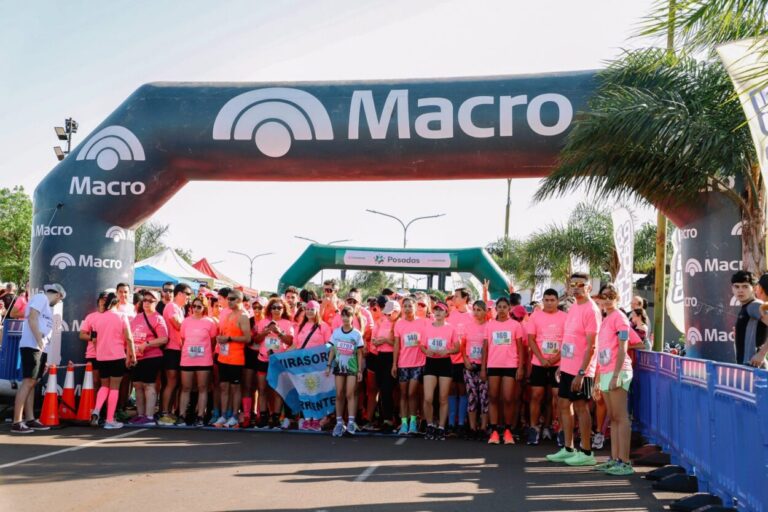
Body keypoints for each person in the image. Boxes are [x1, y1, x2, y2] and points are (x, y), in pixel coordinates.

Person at [546, 272, 602, 466]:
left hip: (582, 369)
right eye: (573, 284)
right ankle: (568, 448)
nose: (576, 287)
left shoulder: (591, 310)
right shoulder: (573, 307)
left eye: (581, 284)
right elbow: (569, 339)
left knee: (581, 407)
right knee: (563, 404)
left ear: (589, 288)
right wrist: (562, 365)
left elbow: (592, 346)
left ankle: (586, 452)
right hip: (568, 367)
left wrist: (581, 372)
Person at [592, 283, 639, 476]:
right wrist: (598, 379)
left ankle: (624, 462)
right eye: (604, 296)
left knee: (621, 417)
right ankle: (615, 459)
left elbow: (623, 347)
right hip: (606, 371)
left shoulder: (619, 317)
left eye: (611, 295)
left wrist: (617, 375)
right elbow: (602, 351)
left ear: (617, 298)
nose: (607, 299)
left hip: (618, 371)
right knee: (613, 417)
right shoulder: (606, 318)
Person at [11, 284, 65, 434]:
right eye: (60, 299)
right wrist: (39, 342)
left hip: (39, 348)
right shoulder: (41, 298)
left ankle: (30, 419)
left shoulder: (46, 305)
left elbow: (40, 326)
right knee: (28, 382)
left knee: (32, 383)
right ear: (58, 295)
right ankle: (17, 421)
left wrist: (44, 352)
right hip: (32, 346)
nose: (58, 302)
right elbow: (32, 318)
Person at [525, 289, 566, 445]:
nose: (549, 303)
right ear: (542, 301)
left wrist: (555, 358)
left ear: (557, 301)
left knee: (559, 397)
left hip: (559, 364)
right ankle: (534, 428)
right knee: (536, 395)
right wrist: (542, 358)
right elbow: (531, 340)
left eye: (552, 300)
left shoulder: (565, 317)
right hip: (539, 363)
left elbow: (568, 342)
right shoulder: (535, 316)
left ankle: (561, 430)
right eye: (546, 300)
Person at [482, 296, 525, 445]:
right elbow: (485, 348)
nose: (501, 309)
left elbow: (521, 348)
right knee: (493, 397)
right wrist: (483, 368)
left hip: (510, 366)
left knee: (508, 399)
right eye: (499, 307)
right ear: (496, 309)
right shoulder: (490, 325)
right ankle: (494, 430)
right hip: (493, 365)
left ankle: (507, 430)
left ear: (509, 308)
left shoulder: (515, 325)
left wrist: (520, 367)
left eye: (504, 307)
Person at [91, 292, 137, 429]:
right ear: (117, 303)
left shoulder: (97, 318)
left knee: (104, 386)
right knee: (114, 388)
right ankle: (110, 419)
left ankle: (96, 410)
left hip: (101, 357)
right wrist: (132, 355)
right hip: (116, 356)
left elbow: (94, 339)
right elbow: (129, 338)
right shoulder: (122, 316)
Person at [420, 301, 460, 441]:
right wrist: (427, 351)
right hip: (430, 362)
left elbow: (457, 347)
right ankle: (430, 425)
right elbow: (422, 345)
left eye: (441, 310)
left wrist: (447, 351)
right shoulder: (427, 328)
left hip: (445, 363)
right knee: (428, 397)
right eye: (436, 310)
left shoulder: (451, 329)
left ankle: (441, 427)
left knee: (443, 398)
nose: (438, 312)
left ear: (446, 313)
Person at [254, 297, 295, 428]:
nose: (276, 310)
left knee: (278, 390)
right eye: (274, 307)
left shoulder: (288, 324)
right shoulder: (263, 321)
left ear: (284, 310)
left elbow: (290, 342)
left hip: (279, 361)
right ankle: (264, 416)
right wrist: (266, 331)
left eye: (279, 308)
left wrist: (279, 332)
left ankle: (276, 417)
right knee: (262, 389)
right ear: (269, 309)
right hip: (263, 359)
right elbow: (256, 339)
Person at [213, 290, 252, 428]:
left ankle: (235, 415)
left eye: (233, 299)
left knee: (235, 388)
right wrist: (221, 338)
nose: (229, 301)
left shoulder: (243, 316)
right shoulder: (228, 314)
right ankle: (224, 415)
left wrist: (229, 339)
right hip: (223, 356)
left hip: (236, 357)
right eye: (228, 299)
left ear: (240, 300)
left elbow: (248, 338)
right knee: (223, 386)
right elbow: (224, 333)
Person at [129, 290, 168, 425]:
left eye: (150, 301)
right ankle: (140, 414)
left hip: (152, 356)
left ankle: (150, 416)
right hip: (137, 357)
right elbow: (130, 336)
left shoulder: (158, 318)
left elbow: (164, 339)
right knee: (137, 385)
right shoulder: (137, 317)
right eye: (144, 300)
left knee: (149, 385)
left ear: (156, 303)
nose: (146, 303)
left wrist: (146, 344)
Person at [179, 296, 218, 426]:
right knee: (186, 388)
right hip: (187, 359)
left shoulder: (210, 322)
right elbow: (183, 340)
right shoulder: (185, 321)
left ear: (204, 308)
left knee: (202, 388)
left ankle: (200, 415)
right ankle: (182, 415)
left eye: (199, 307)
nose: (196, 309)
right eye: (193, 306)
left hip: (204, 360)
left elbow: (213, 341)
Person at [326, 305, 365, 437]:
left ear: (352, 317)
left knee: (350, 394)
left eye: (348, 316)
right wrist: (328, 365)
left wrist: (359, 370)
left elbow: (360, 353)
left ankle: (351, 422)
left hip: (352, 368)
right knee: (339, 394)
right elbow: (331, 349)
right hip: (338, 367)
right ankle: (338, 423)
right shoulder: (336, 332)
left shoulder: (357, 334)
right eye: (343, 315)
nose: (345, 318)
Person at [158, 284, 192, 425]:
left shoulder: (181, 308)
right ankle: (164, 413)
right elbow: (178, 325)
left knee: (175, 383)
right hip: (171, 349)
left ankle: (169, 412)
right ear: (178, 294)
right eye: (187, 294)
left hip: (179, 350)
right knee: (171, 382)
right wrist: (194, 324)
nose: (189, 297)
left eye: (190, 294)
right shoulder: (171, 306)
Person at [392, 297, 426, 435]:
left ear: (415, 307)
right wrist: (394, 364)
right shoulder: (399, 324)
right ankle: (404, 423)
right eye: (404, 306)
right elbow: (396, 345)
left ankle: (413, 422)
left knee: (412, 393)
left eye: (409, 306)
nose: (407, 309)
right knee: (403, 394)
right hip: (403, 363)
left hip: (418, 363)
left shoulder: (423, 323)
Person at [463, 299, 490, 439]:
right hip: (469, 366)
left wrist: (484, 367)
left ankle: (483, 427)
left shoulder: (489, 326)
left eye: (479, 309)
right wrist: (465, 360)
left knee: (484, 397)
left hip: (484, 367)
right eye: (474, 309)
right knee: (472, 397)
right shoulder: (468, 326)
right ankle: (472, 428)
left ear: (486, 312)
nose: (476, 312)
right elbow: (462, 346)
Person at [448, 288, 472, 435]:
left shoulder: (472, 315)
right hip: (451, 359)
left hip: (465, 360)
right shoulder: (451, 315)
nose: (454, 299)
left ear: (465, 298)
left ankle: (461, 422)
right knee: (452, 390)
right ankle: (451, 423)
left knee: (463, 391)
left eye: (456, 296)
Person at [371, 299, 398, 431]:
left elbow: (400, 345)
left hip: (393, 357)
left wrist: (386, 340)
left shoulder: (399, 323)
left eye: (390, 314)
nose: (387, 316)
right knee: (381, 387)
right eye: (386, 313)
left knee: (388, 388)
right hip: (380, 356)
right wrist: (377, 342)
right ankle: (383, 417)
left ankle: (390, 419)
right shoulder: (382, 322)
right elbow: (373, 339)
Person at [732, 271, 768, 368]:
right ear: (732, 288)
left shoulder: (755, 305)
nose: (740, 290)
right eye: (736, 286)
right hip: (747, 367)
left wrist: (761, 354)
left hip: (755, 368)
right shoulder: (746, 307)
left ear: (754, 288)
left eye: (745, 286)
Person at [79, 291, 109, 388]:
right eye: (102, 299)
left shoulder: (113, 316)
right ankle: (95, 403)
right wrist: (93, 337)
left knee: (106, 383)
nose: (104, 301)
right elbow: (82, 335)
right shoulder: (90, 317)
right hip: (93, 354)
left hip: (108, 355)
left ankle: (105, 403)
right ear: (98, 301)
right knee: (95, 382)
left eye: (107, 300)